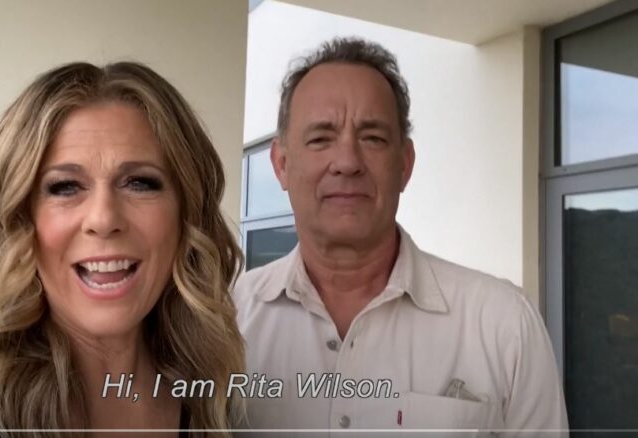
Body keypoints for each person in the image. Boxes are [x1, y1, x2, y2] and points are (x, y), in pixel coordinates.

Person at [0, 61, 244, 437]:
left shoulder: (209, 404)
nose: (103, 218)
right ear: (20, 218)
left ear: (185, 215)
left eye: (140, 182)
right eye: (64, 186)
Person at [234, 37, 568, 436]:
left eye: (373, 138)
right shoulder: (226, 320)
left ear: (405, 164)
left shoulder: (504, 324)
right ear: (281, 164)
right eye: (321, 138)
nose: (347, 162)